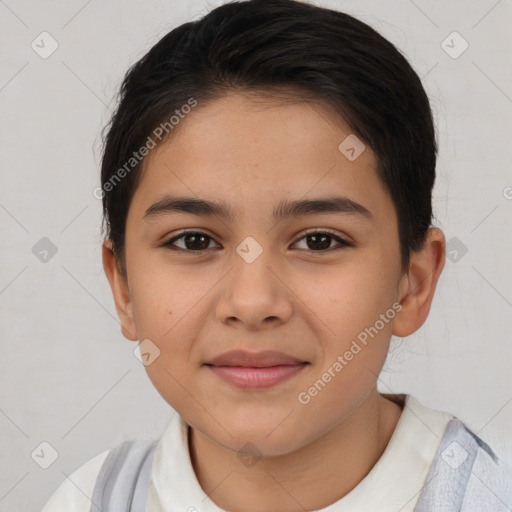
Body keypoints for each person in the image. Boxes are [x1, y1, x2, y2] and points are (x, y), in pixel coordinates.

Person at [41, 0, 512, 510]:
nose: (252, 302)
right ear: (124, 287)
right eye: (194, 241)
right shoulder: (86, 500)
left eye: (319, 240)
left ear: (413, 282)